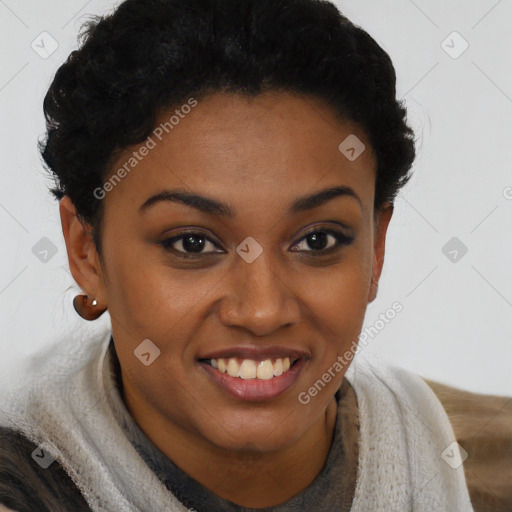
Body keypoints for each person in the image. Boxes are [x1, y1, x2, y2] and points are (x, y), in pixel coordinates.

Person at [1, 0, 510, 510]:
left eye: (318, 240)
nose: (263, 311)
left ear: (376, 248)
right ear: (86, 252)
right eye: (192, 243)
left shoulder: (474, 460)